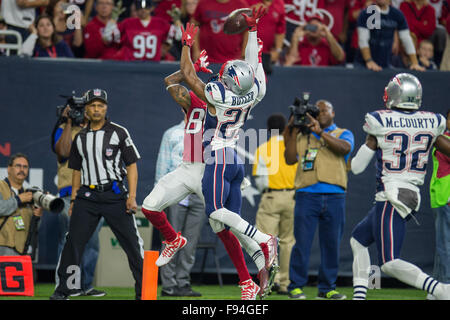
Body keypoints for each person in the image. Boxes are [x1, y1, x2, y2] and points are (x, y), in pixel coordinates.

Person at [142, 50, 272, 299]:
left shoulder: (219, 105)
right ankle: (172, 239)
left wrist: (192, 69)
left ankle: (250, 276)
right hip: (187, 167)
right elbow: (171, 83)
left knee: (224, 226)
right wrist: (191, 70)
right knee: (149, 206)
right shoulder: (195, 100)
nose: (213, 86)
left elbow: (227, 138)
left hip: (210, 168)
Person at [179, 7, 278, 300]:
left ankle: (264, 241)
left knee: (214, 211)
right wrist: (252, 30)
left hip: (219, 157)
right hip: (235, 159)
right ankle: (256, 272)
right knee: (224, 222)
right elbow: (253, 61)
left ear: (227, 82)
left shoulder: (219, 96)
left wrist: (185, 45)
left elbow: (187, 74)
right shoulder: (255, 92)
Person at [349, 73, 450, 300]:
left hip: (391, 195)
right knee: (358, 240)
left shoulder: (380, 120)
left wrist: (348, 161)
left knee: (389, 263)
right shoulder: (432, 121)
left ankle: (440, 290)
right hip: (409, 194)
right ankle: (359, 296)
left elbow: (357, 167)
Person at [50, 88, 144, 300]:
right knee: (73, 243)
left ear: (106, 108)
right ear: (86, 109)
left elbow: (132, 165)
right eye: (92, 105)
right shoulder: (80, 137)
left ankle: (143, 292)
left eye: (100, 105)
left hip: (115, 194)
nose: (96, 109)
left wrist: (132, 196)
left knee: (132, 245)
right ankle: (63, 290)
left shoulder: (119, 132)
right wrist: (74, 199)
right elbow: (76, 170)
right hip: (87, 197)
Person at [283, 100, 354, 300]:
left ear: (333, 113)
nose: (320, 114)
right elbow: (289, 158)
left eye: (324, 111)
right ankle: (295, 286)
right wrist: (292, 129)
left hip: (335, 196)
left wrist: (320, 132)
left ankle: (327, 288)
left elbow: (344, 149)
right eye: (317, 111)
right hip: (307, 195)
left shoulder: (342, 132)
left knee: (331, 244)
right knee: (302, 244)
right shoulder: (303, 135)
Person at [52, 105, 105, 297]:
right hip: (68, 193)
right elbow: (63, 152)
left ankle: (86, 285)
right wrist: (67, 121)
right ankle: (67, 285)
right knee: (68, 240)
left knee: (92, 243)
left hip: (93, 194)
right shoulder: (64, 130)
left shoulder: (98, 132)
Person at [154, 118, 205, 297]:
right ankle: (169, 285)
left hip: (199, 194)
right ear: (184, 109)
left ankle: (183, 282)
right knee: (171, 240)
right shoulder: (172, 133)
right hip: (176, 193)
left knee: (190, 243)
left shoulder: (210, 133)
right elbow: (162, 164)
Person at [252, 113, 297, 295]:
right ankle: (285, 283)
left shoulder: (263, 148)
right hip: (292, 197)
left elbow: (261, 181)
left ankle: (271, 282)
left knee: (266, 242)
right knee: (287, 242)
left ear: (269, 129)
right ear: (285, 127)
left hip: (271, 198)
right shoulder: (293, 147)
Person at [356, 0, 424, 71]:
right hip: (363, 65)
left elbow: (406, 38)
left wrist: (415, 63)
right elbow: (363, 40)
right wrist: (369, 61)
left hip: (385, 65)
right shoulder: (367, 13)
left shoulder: (396, 14)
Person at [0, 153, 43, 256]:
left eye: (25, 167)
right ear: (9, 169)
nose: (22, 169)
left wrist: (37, 216)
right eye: (18, 166)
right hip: (2, 246)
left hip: (21, 251)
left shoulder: (30, 196)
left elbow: (33, 229)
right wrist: (18, 199)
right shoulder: (1, 186)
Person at [428, 109, 450, 299]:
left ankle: (435, 288)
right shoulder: (442, 139)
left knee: (443, 244)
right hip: (444, 196)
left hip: (441, 196)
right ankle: (445, 286)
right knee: (445, 245)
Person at [246, 0, 286, 73]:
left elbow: (280, 30)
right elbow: (236, 21)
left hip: (266, 55)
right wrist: (249, 11)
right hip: (248, 52)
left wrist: (278, 50)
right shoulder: (247, 1)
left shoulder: (279, 3)